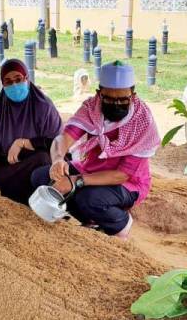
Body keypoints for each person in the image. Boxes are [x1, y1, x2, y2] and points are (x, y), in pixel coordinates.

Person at [31, 60, 160, 240]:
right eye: (110, 99)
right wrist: (59, 159)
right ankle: (89, 219)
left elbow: (122, 175)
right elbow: (64, 138)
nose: (117, 104)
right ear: (99, 94)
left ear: (133, 95)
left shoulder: (143, 122)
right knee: (41, 177)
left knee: (89, 198)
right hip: (90, 169)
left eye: (123, 99)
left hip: (128, 182)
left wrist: (75, 181)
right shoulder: (91, 108)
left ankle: (120, 223)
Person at [0, 58, 62, 205]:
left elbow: (56, 143)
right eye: (8, 82)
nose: (14, 85)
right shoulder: (1, 108)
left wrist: (22, 143)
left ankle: (30, 200)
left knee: (42, 160)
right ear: (3, 84)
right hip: (13, 164)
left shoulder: (43, 107)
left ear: (27, 79)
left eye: (18, 79)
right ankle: (19, 200)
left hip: (37, 162)